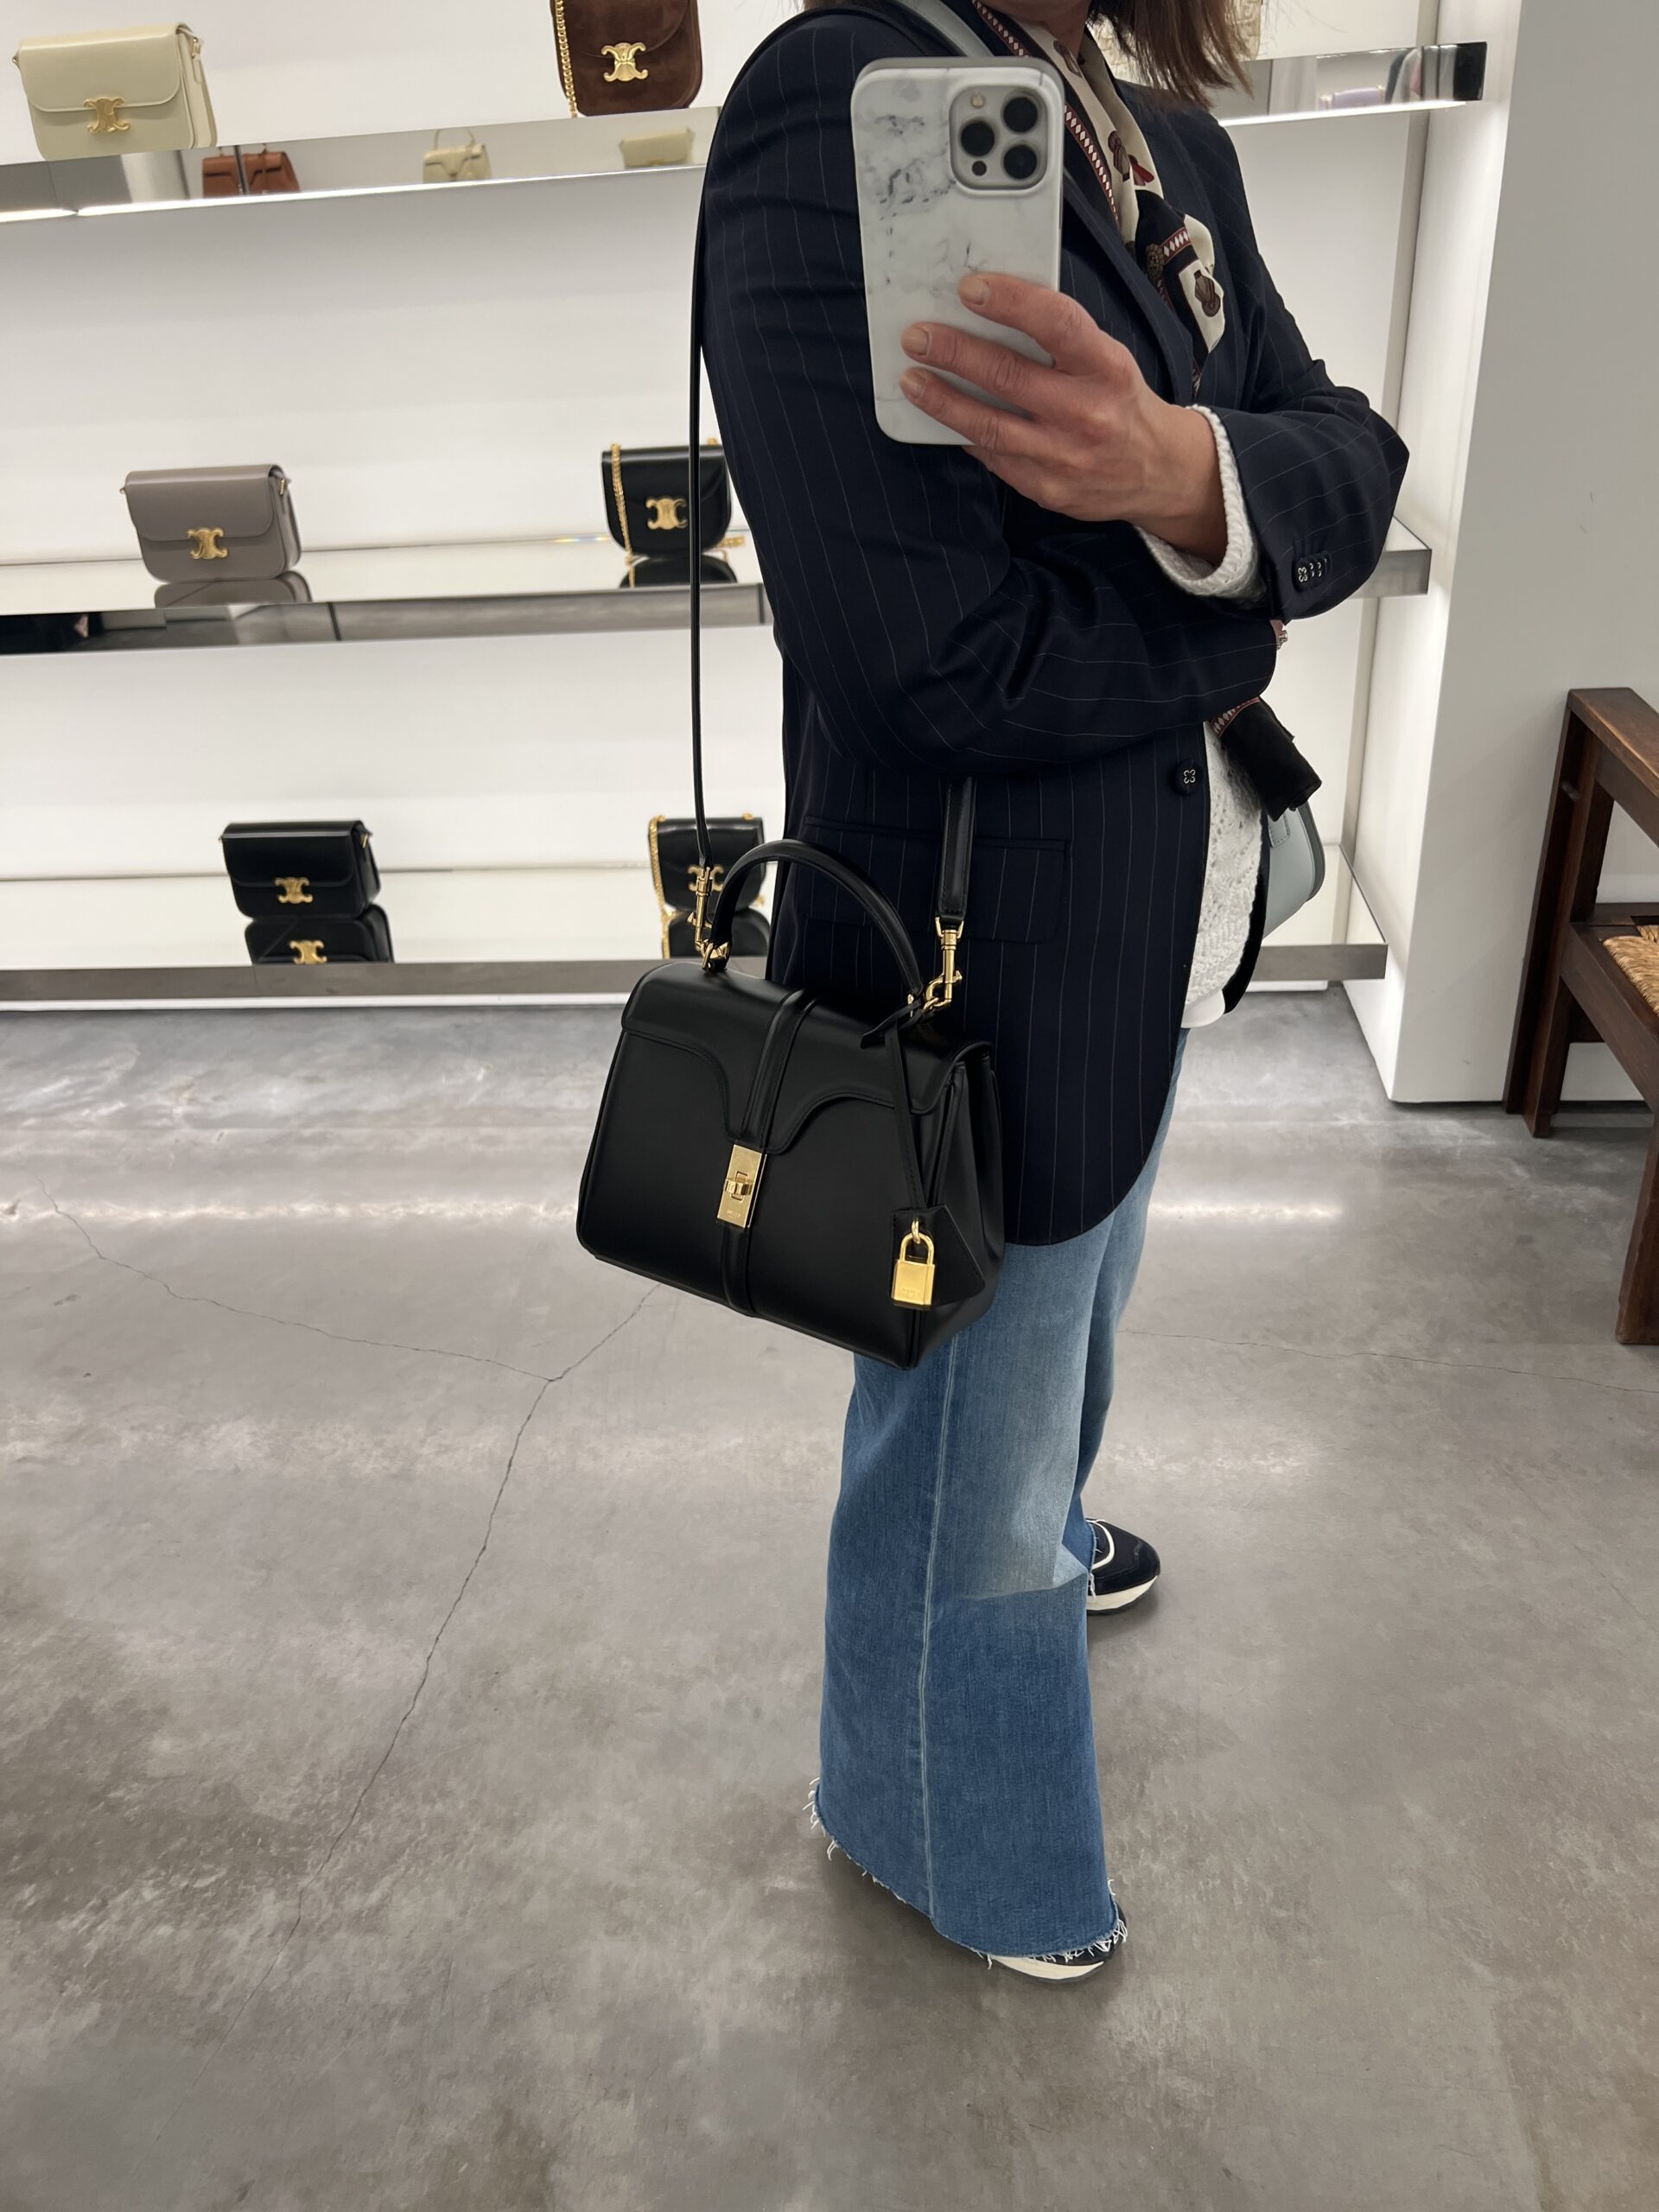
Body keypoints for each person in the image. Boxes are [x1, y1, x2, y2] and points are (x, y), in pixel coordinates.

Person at [700, 0, 1407, 1980]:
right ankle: (930, 1815)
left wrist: (1187, 470)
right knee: (962, 1424)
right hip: (974, 934)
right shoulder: (831, 105)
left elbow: (1347, 448)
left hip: (1153, 900)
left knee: (1067, 1322)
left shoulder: (1168, 144)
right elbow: (916, 652)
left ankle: (1039, 1527)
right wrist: (1226, 613)